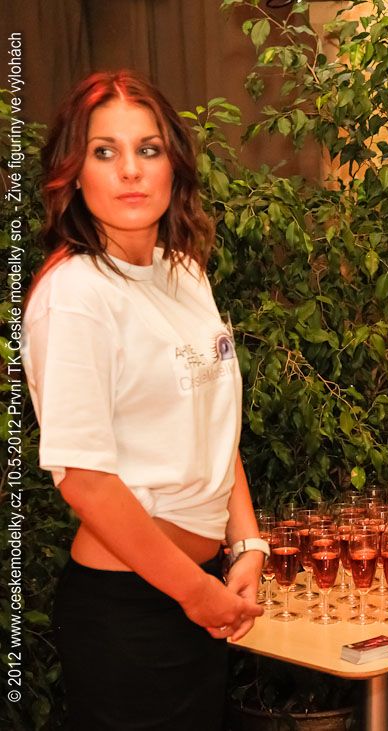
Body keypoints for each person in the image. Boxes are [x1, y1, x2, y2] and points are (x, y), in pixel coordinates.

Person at [24, 70, 266, 730]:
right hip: (129, 609)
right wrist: (197, 594)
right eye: (104, 151)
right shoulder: (76, 295)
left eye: (148, 149)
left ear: (173, 166)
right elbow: (85, 481)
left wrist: (247, 543)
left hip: (202, 588)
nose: (130, 170)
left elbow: (215, 425)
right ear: (74, 174)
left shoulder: (182, 270)